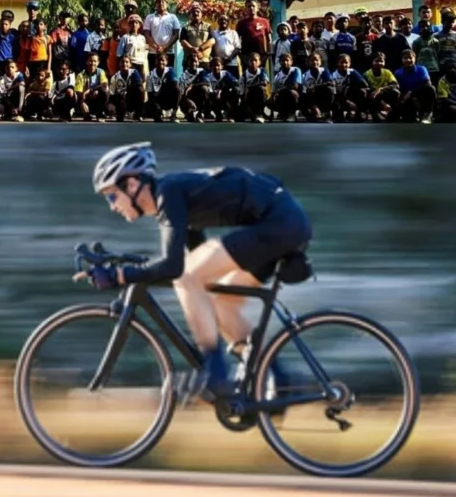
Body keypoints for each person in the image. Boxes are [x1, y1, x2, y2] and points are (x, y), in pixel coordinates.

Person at [79, 142, 313, 402]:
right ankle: (279, 379)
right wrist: (130, 267)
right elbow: (190, 257)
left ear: (132, 185)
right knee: (223, 303)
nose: (112, 206)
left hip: (279, 223)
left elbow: (175, 267)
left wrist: (119, 275)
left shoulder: (169, 192)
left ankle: (215, 373)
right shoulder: (174, 201)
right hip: (284, 223)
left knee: (188, 276)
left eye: (111, 196)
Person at [394, 49, 435, 123]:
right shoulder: (398, 73)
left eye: (410, 58)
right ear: (401, 60)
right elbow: (398, 89)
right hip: (406, 97)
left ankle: (427, 114)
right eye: (405, 58)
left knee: (430, 89)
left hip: (419, 95)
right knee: (409, 119)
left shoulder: (422, 69)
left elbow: (428, 84)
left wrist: (411, 92)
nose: (408, 60)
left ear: (415, 59)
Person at [144, 0, 181, 71]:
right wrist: (156, 47)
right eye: (158, 2)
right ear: (155, 5)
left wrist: (165, 47)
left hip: (169, 52)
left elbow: (176, 35)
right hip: (153, 52)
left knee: (168, 76)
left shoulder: (173, 17)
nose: (161, 3)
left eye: (163, 2)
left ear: (167, 4)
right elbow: (147, 34)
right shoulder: (149, 17)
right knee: (154, 75)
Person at [330, 53, 369, 122]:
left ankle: (359, 113)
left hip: (351, 95)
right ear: (337, 63)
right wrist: (347, 101)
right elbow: (335, 93)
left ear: (349, 64)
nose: (344, 65)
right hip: (340, 98)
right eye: (341, 62)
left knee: (362, 91)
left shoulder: (352, 72)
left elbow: (365, 85)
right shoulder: (333, 75)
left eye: (346, 62)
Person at [364, 52, 400, 122]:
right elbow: (367, 88)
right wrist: (382, 102)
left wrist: (380, 89)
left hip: (384, 93)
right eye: (377, 61)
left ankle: (392, 113)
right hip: (374, 96)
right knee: (367, 93)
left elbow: (395, 85)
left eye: (381, 61)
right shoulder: (367, 74)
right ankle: (373, 113)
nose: (379, 63)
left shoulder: (387, 72)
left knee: (395, 92)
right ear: (372, 62)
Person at [107, 55, 144, 122]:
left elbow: (139, 85)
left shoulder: (134, 72)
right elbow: (112, 94)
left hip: (131, 99)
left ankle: (138, 114)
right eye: (122, 62)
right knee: (110, 108)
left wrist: (127, 90)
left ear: (130, 64)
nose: (124, 64)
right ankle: (118, 114)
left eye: (127, 62)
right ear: (119, 64)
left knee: (140, 90)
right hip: (120, 100)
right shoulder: (114, 77)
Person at [144, 53, 180, 122]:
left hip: (167, 98)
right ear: (155, 61)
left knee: (177, 90)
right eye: (159, 60)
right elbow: (150, 95)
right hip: (156, 100)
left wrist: (163, 88)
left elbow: (174, 83)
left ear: (166, 62)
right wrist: (157, 107)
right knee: (144, 110)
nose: (161, 62)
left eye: (163, 60)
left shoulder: (170, 71)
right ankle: (157, 114)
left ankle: (173, 115)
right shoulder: (150, 75)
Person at [179, 2, 214, 71]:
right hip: (189, 61)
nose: (196, 13)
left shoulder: (208, 26)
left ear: (201, 14)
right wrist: (193, 49)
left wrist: (200, 49)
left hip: (204, 60)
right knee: (189, 81)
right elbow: (182, 41)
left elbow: (212, 40)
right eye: (193, 12)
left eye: (198, 11)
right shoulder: (185, 28)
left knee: (205, 81)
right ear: (190, 14)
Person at [300, 52, 334, 122]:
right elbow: (304, 92)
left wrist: (315, 87)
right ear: (308, 62)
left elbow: (331, 83)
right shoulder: (305, 75)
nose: (315, 62)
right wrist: (313, 106)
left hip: (322, 97)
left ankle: (326, 113)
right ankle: (313, 111)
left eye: (317, 60)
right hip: (311, 99)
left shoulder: (324, 71)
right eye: (312, 60)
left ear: (320, 62)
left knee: (329, 89)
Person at [74, 53, 109, 121]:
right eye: (90, 61)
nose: (92, 63)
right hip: (86, 100)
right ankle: (85, 113)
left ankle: (99, 113)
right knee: (75, 96)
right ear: (86, 62)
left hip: (97, 99)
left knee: (104, 90)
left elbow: (104, 84)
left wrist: (91, 90)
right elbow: (78, 92)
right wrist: (82, 102)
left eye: (95, 61)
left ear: (98, 63)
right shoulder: (80, 75)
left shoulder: (101, 72)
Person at [177, 54, 211, 123]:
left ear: (198, 62)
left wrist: (192, 85)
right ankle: (190, 113)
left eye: (195, 61)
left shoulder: (202, 71)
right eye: (191, 61)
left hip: (200, 99)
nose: (193, 63)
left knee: (204, 89)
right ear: (187, 63)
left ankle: (201, 113)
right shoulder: (183, 76)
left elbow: (206, 83)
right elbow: (181, 93)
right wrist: (188, 100)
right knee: (191, 118)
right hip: (188, 100)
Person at [268, 53, 301, 122]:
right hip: (283, 95)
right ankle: (283, 113)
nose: (285, 62)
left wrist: (282, 88)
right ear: (280, 62)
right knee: (269, 101)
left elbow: (295, 85)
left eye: (287, 60)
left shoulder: (296, 70)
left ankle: (292, 114)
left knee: (290, 92)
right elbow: (273, 91)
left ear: (291, 62)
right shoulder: (278, 76)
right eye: (283, 61)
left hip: (297, 96)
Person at [238, 52, 269, 124]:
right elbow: (241, 92)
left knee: (260, 89)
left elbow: (265, 82)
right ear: (248, 62)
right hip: (248, 98)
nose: (253, 62)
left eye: (255, 60)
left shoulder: (262, 71)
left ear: (259, 62)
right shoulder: (244, 75)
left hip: (259, 96)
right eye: (251, 60)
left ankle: (259, 114)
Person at [207, 56, 240, 122]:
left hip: (225, 96)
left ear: (222, 66)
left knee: (236, 90)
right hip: (215, 98)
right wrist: (216, 92)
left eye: (218, 65)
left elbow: (236, 82)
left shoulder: (226, 74)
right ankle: (218, 114)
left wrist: (221, 89)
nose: (216, 68)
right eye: (214, 65)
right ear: (210, 67)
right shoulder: (208, 76)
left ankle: (230, 115)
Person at [117, 14, 148, 81]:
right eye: (132, 23)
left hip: (140, 64)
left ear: (139, 25)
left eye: (136, 22)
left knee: (140, 83)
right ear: (129, 25)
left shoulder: (142, 38)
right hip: (130, 64)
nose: (134, 24)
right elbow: (119, 54)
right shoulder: (125, 37)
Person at [412, 20, 441, 86]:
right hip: (421, 68)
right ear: (419, 28)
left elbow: (438, 54)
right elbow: (415, 55)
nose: (425, 28)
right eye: (422, 26)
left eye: (427, 26)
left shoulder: (435, 41)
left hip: (434, 69)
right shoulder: (416, 42)